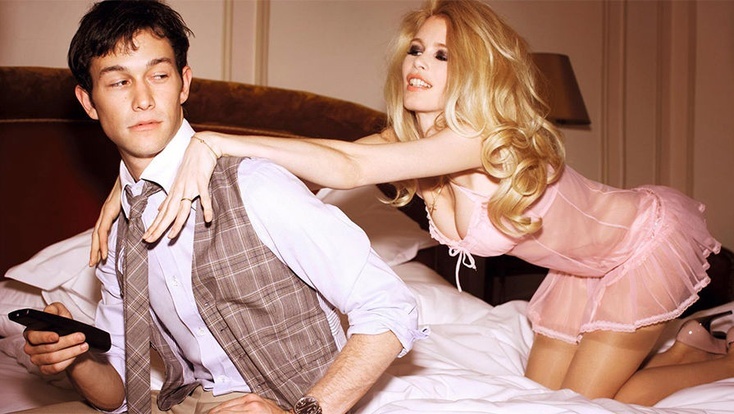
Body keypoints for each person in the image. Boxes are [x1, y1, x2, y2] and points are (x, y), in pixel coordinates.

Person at [90, 0, 734, 407]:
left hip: (640, 246)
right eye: (417, 50)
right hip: (577, 270)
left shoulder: (482, 138)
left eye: (443, 55)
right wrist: (137, 182)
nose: (418, 63)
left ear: (477, 69)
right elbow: (313, 168)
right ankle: (686, 347)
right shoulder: (407, 143)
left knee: (593, 404)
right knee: (542, 397)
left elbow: (349, 166)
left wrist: (209, 141)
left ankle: (715, 363)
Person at [21, 1, 427, 414]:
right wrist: (75, 356)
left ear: (184, 84)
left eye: (158, 75)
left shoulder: (255, 185)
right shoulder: (117, 231)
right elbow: (119, 393)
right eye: (119, 82)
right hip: (180, 401)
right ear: (88, 102)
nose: (143, 99)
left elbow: (390, 306)